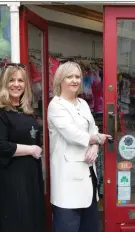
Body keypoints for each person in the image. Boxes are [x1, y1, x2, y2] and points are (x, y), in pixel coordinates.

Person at [47, 61, 112, 232]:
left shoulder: (83, 104)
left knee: (89, 227)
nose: (75, 80)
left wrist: (95, 145)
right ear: (60, 79)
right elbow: (72, 135)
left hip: (88, 176)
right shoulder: (55, 105)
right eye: (70, 77)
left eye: (77, 76)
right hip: (67, 181)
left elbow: (93, 129)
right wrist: (97, 139)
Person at [0, 63, 46, 232]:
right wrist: (31, 150)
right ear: (4, 83)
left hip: (31, 175)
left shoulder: (27, 112)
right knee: (17, 221)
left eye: (20, 80)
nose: (16, 84)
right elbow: (0, 145)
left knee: (33, 220)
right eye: (12, 80)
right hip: (12, 176)